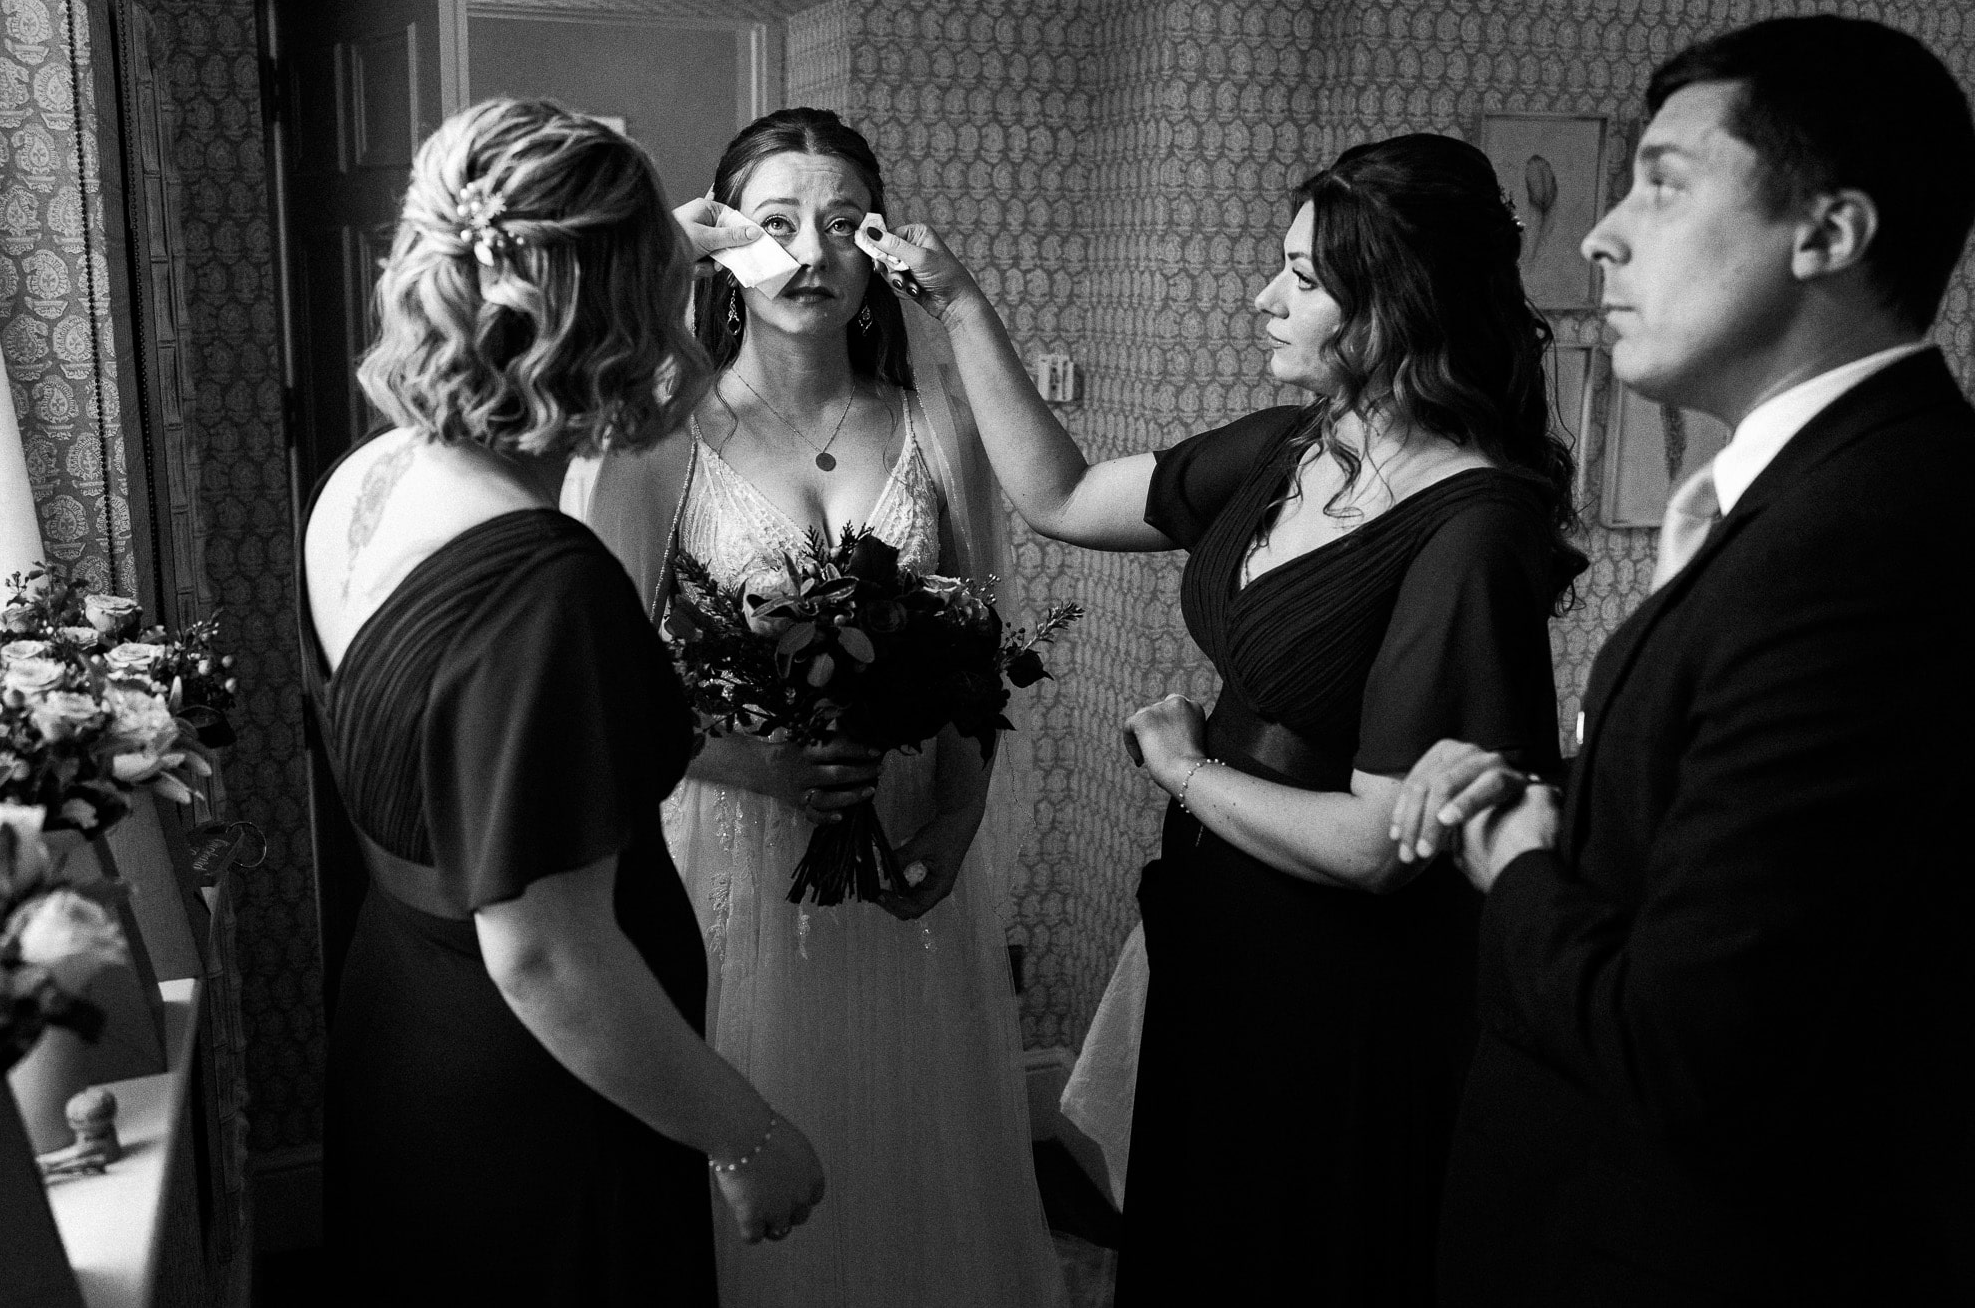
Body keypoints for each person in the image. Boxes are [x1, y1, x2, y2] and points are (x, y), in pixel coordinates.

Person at [870, 133, 1587, 1304]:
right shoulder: (1288, 451)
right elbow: (1057, 495)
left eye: (1301, 280)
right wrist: (958, 305)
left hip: (1345, 982)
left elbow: (1376, 848)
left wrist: (1181, 770)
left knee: (1293, 1247)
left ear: (1393, 307)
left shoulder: (1472, 528)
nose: (1263, 297)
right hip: (1225, 926)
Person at [1394, 17, 1975, 1307]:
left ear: (1826, 233)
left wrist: (1518, 860)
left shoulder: (1865, 538)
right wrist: (1548, 792)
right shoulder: (1805, 498)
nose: (1598, 233)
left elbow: (1691, 1043)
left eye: (1659, 182)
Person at [300, 99, 824, 1304]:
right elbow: (543, 953)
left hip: (398, 1032)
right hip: (543, 1091)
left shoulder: (370, 481)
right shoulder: (547, 589)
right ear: (620, 317)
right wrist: (746, 1134)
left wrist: (648, 252)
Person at [565, 108, 1063, 1308]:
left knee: (905, 1136)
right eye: (775, 222)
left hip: (896, 846)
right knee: (750, 1135)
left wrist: (955, 814)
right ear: (723, 249)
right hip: (724, 851)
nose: (810, 254)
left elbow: (974, 636)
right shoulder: (654, 441)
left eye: (843, 223)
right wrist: (762, 768)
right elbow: (606, 686)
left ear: (879, 252)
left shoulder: (935, 423)